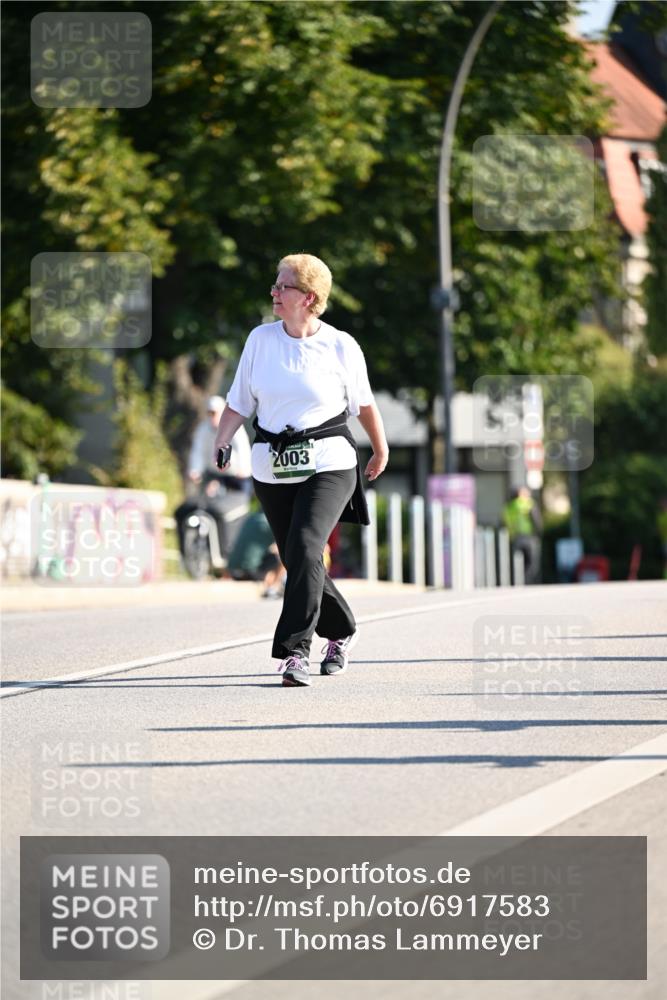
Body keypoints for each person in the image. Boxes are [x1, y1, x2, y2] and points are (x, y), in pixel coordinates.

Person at [213, 252, 389, 687]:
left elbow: (364, 404)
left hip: (329, 460)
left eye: (283, 285)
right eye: (275, 284)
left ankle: (295, 652)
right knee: (296, 557)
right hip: (272, 463)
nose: (274, 291)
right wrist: (222, 438)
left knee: (308, 546)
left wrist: (380, 449)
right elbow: (238, 401)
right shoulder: (260, 340)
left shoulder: (340, 345)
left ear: (308, 297)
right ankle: (343, 630)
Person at [187, 395, 252, 491]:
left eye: (214, 413)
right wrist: (195, 470)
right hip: (212, 475)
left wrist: (244, 469)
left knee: (240, 498)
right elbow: (198, 450)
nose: (211, 416)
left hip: (234, 476)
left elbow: (243, 448)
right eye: (209, 413)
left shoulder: (234, 427)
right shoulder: (203, 429)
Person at [503, 485, 542, 585]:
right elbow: (536, 520)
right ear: (521, 494)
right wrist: (539, 533)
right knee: (531, 563)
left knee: (514, 563)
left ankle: (513, 582)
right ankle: (527, 582)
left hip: (514, 538)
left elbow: (504, 523)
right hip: (528, 537)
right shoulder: (528, 504)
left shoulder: (508, 507)